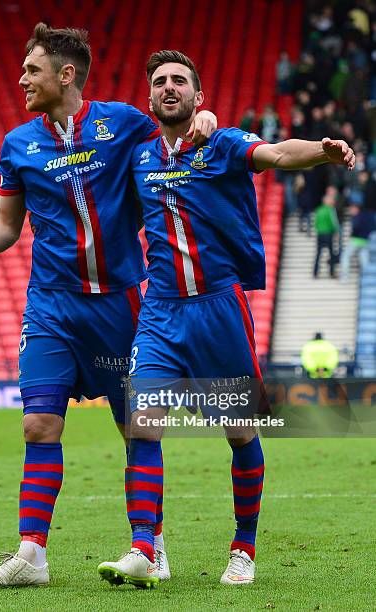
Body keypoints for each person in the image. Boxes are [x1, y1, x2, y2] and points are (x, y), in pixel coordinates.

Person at [0, 24, 217, 589]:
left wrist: (201, 123)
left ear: (66, 75)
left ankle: (150, 546)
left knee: (138, 427)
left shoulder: (123, 123)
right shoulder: (17, 144)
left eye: (32, 69)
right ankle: (31, 555)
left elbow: (175, 130)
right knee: (39, 424)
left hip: (120, 306)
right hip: (51, 309)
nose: (22, 78)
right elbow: (5, 227)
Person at [97, 50, 355, 589]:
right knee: (140, 417)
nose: (169, 88)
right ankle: (146, 545)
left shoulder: (225, 143)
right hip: (161, 309)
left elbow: (280, 153)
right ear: (150, 98)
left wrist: (323, 152)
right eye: (161, 82)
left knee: (239, 432)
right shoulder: (139, 157)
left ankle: (244, 546)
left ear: (198, 96)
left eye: (179, 82)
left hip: (220, 308)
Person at [340, 205, 374, 281]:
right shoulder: (366, 217)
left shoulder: (357, 217)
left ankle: (344, 278)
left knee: (345, 256)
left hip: (356, 240)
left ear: (356, 209)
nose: (350, 211)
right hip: (365, 241)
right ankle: (367, 278)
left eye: (351, 209)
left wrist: (352, 235)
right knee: (364, 259)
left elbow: (356, 227)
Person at [313, 187, 340, 278]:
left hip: (320, 234)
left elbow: (315, 222)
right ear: (327, 201)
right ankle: (332, 272)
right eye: (331, 200)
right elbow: (334, 222)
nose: (333, 201)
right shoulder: (331, 210)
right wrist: (336, 231)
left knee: (318, 253)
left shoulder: (318, 210)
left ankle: (315, 272)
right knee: (331, 253)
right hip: (328, 234)